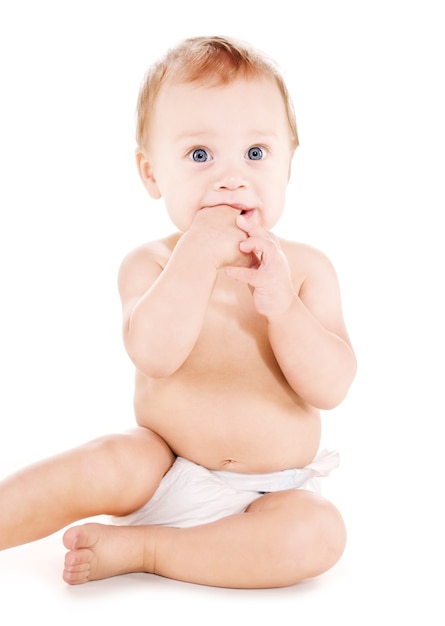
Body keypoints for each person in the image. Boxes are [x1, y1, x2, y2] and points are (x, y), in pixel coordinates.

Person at [0, 35, 356, 589]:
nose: (231, 177)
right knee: (107, 460)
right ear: (151, 174)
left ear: (288, 165)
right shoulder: (151, 263)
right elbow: (155, 356)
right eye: (199, 155)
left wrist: (284, 308)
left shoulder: (306, 270)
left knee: (320, 534)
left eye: (256, 154)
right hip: (163, 468)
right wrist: (193, 257)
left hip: (271, 495)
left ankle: (149, 549)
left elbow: (331, 386)